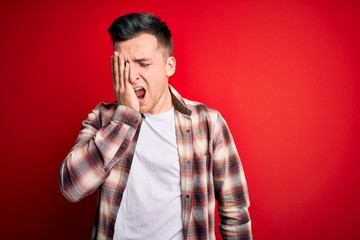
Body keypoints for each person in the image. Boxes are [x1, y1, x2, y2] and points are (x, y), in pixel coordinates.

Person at [59, 12, 252, 240]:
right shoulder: (103, 118)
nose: (131, 76)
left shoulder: (208, 123)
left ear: (169, 66)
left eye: (143, 64)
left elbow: (235, 213)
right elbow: (72, 188)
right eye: (123, 65)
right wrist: (125, 118)